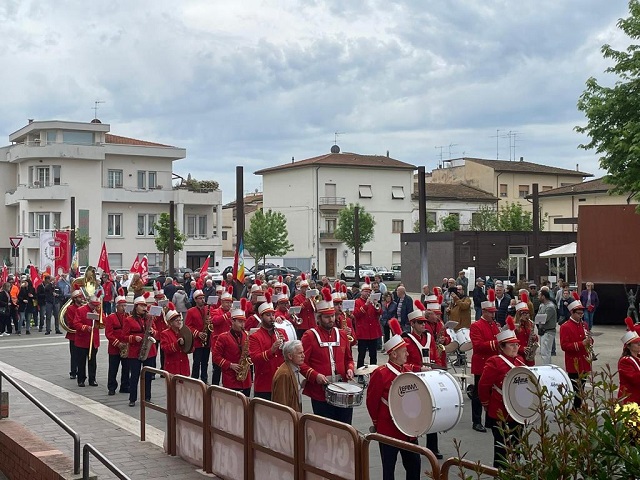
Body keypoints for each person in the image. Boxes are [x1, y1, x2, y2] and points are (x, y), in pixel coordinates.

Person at [366, 323, 421, 480]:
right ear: (394, 354)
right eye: (404, 352)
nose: (407, 355)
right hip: (388, 429)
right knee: (389, 469)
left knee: (414, 465)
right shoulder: (381, 374)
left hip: (408, 429)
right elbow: (372, 401)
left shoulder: (407, 371)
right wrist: (377, 423)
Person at [300, 288, 355, 424]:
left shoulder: (342, 334)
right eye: (327, 317)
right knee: (325, 429)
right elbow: (301, 363)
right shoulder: (309, 336)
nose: (331, 320)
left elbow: (349, 358)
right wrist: (314, 375)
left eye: (332, 316)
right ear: (319, 318)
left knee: (345, 428)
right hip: (320, 393)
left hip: (342, 389)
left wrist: (350, 368)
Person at [478, 317, 526, 468]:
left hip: (517, 412)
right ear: (502, 347)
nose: (515, 348)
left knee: (516, 446)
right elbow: (483, 386)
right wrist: (486, 404)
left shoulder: (519, 361)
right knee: (501, 449)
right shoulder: (494, 362)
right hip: (500, 412)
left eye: (517, 345)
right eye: (512, 345)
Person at [402, 302, 444, 458]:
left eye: (424, 322)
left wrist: (436, 365)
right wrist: (418, 368)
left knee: (432, 411)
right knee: (415, 412)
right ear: (412, 324)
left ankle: (433, 447)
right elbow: (403, 362)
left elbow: (435, 354)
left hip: (430, 377)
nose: (423, 325)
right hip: (414, 379)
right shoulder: (406, 339)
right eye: (420, 323)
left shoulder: (429, 336)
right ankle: (413, 445)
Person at [470, 288, 501, 433]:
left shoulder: (494, 325)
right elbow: (478, 345)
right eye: (491, 312)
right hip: (481, 363)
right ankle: (476, 421)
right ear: (484, 312)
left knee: (491, 393)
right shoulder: (476, 326)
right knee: (478, 394)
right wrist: (496, 343)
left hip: (494, 363)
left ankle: (489, 420)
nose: (493, 314)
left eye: (494, 312)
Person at [249, 293, 289, 400]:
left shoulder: (282, 332)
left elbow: (288, 356)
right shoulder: (255, 336)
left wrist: (285, 345)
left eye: (273, 315)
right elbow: (255, 359)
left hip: (281, 381)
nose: (272, 318)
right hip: (264, 384)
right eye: (268, 315)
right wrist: (271, 350)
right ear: (261, 317)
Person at [559, 292, 592, 410]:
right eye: (578, 313)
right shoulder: (565, 326)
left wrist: (590, 341)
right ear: (571, 313)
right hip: (573, 362)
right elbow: (564, 346)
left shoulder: (584, 325)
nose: (581, 315)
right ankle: (572, 410)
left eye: (582, 313)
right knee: (574, 389)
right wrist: (581, 344)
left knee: (581, 388)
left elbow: (588, 341)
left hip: (584, 360)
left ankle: (577, 408)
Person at [123, 292, 157, 407]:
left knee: (148, 376)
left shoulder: (149, 318)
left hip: (149, 350)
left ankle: (147, 397)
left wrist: (153, 332)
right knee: (134, 376)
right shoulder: (128, 319)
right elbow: (124, 336)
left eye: (145, 305)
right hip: (135, 351)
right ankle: (132, 398)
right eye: (142, 305)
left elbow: (156, 333)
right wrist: (133, 338)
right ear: (136, 306)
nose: (144, 308)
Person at [212, 300, 252, 396]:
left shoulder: (247, 336)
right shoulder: (223, 337)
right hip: (230, 379)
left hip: (246, 380)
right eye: (239, 322)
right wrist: (230, 365)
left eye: (243, 322)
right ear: (232, 321)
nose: (242, 325)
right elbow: (215, 357)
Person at [70, 292, 103, 388]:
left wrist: (98, 318)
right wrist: (85, 327)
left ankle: (92, 379)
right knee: (81, 362)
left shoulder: (98, 310)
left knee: (93, 361)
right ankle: (81, 379)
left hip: (93, 341)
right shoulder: (81, 310)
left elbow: (103, 322)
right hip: (82, 340)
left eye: (96, 306)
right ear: (89, 303)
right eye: (93, 305)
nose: (95, 307)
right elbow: (76, 323)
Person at [104, 289, 130, 395]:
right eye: (122, 306)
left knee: (126, 368)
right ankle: (111, 387)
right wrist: (118, 343)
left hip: (125, 346)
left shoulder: (128, 317)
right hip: (115, 347)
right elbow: (108, 333)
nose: (124, 308)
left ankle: (125, 386)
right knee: (113, 368)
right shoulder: (111, 317)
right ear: (117, 306)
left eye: (125, 306)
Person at [353, 278, 383, 369]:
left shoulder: (373, 302)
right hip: (363, 333)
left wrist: (376, 306)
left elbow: (379, 313)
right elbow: (357, 315)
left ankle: (374, 373)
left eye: (369, 291)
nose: (368, 293)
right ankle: (360, 374)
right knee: (361, 355)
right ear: (361, 292)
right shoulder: (357, 302)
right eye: (366, 291)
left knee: (373, 355)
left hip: (373, 333)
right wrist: (366, 305)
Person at [209, 287, 234, 386]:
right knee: (217, 366)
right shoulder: (215, 311)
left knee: (227, 366)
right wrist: (227, 314)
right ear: (222, 302)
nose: (228, 304)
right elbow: (215, 321)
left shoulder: (232, 312)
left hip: (230, 343)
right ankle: (214, 386)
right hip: (218, 343)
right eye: (226, 302)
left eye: (230, 302)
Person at [272, 340, 306, 412]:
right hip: (288, 419)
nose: (303, 356)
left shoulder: (294, 369)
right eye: (300, 353)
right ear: (290, 356)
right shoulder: (284, 374)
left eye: (303, 352)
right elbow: (281, 402)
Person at [185, 289, 210, 383]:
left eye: (203, 298)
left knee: (205, 362)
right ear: (195, 300)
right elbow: (188, 326)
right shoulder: (191, 311)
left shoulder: (208, 309)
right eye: (200, 298)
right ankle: (194, 379)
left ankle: (204, 379)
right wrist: (198, 333)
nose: (202, 300)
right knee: (197, 361)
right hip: (197, 341)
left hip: (207, 340)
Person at [160, 303, 192, 376]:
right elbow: (165, 349)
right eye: (176, 320)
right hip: (172, 367)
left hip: (184, 366)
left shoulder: (183, 331)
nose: (179, 322)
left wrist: (190, 346)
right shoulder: (165, 333)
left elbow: (190, 348)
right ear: (170, 322)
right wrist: (178, 344)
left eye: (180, 320)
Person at [64, 285, 85, 379]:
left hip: (82, 334)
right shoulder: (70, 308)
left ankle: (81, 371)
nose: (82, 299)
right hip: (74, 334)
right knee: (74, 354)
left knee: (82, 355)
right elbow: (71, 322)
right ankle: (73, 371)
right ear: (75, 299)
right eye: (80, 297)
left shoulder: (84, 308)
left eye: (81, 297)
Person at [618, 318, 640, 405]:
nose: (639, 345)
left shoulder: (637, 357)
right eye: (636, 343)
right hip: (630, 399)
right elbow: (635, 379)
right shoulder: (625, 361)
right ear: (628, 346)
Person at [514, 294, 538, 367]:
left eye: (527, 313)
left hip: (529, 355)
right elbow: (511, 342)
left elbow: (533, 338)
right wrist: (521, 348)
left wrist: (535, 338)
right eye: (524, 313)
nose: (527, 316)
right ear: (519, 315)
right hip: (518, 355)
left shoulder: (530, 324)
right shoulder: (514, 326)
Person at [292, 274, 315, 339]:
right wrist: (306, 301)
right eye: (304, 288)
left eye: (306, 287)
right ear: (301, 288)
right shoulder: (297, 298)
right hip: (302, 325)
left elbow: (316, 309)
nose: (306, 289)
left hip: (311, 324)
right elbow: (298, 309)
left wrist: (315, 301)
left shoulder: (312, 297)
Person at [537, 289, 557, 365]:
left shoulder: (550, 307)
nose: (538, 297)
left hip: (548, 332)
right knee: (543, 351)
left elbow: (543, 319)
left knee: (546, 352)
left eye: (539, 295)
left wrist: (539, 318)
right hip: (543, 331)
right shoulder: (542, 305)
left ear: (543, 296)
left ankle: (546, 367)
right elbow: (538, 317)